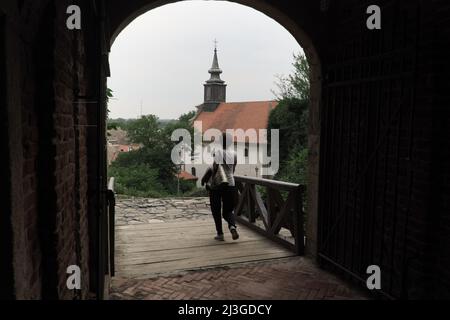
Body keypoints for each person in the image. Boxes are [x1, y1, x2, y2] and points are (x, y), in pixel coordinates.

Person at [201, 132, 239, 241]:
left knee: (216, 209)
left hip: (218, 185)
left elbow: (215, 168)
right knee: (228, 211)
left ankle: (220, 234)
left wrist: (210, 182)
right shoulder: (235, 154)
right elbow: (233, 170)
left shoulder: (218, 152)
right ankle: (232, 227)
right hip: (231, 184)